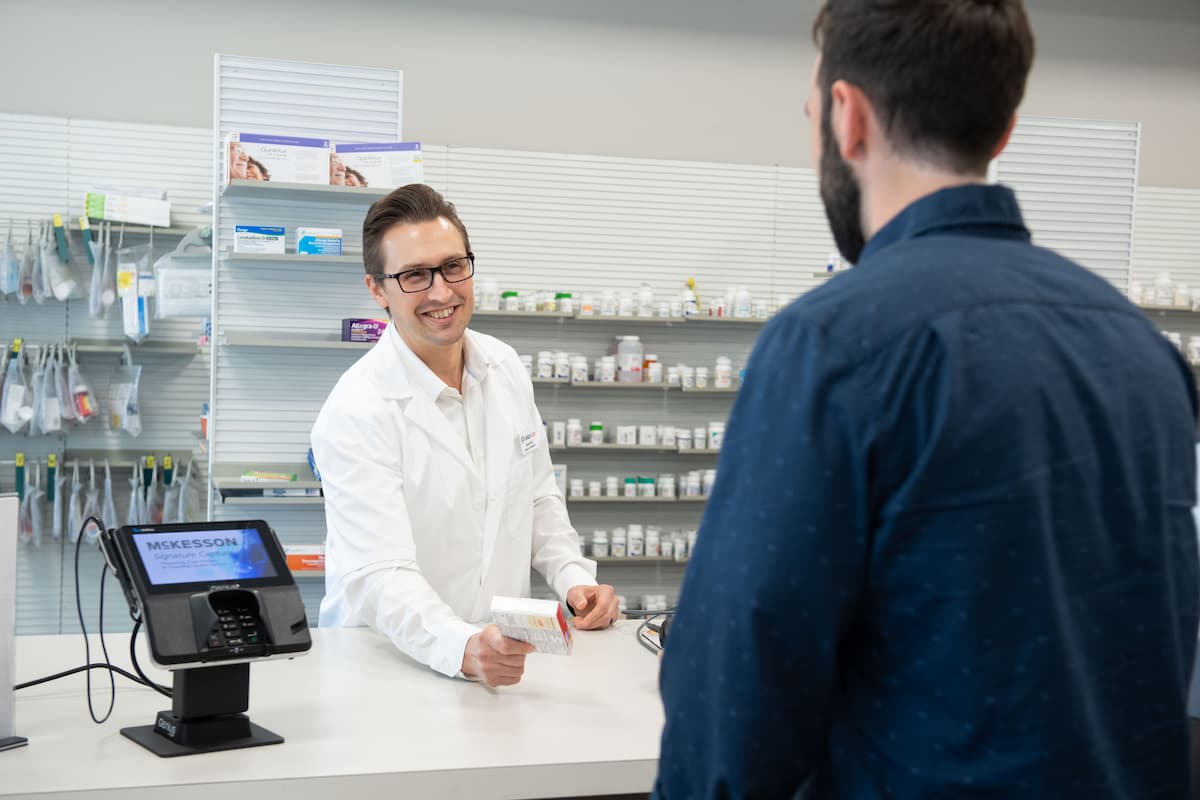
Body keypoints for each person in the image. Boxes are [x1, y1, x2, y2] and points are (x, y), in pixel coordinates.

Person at [655, 1, 1199, 798]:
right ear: (1003, 129)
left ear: (848, 118)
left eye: (811, 115)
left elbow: (736, 692)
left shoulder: (833, 345)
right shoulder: (1142, 352)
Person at [311, 184, 618, 686]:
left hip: (496, 654)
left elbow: (538, 497)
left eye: (454, 266)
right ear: (376, 289)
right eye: (414, 275)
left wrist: (575, 581)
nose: (441, 291)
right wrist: (461, 646)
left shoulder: (505, 369)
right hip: (386, 666)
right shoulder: (357, 411)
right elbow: (378, 574)